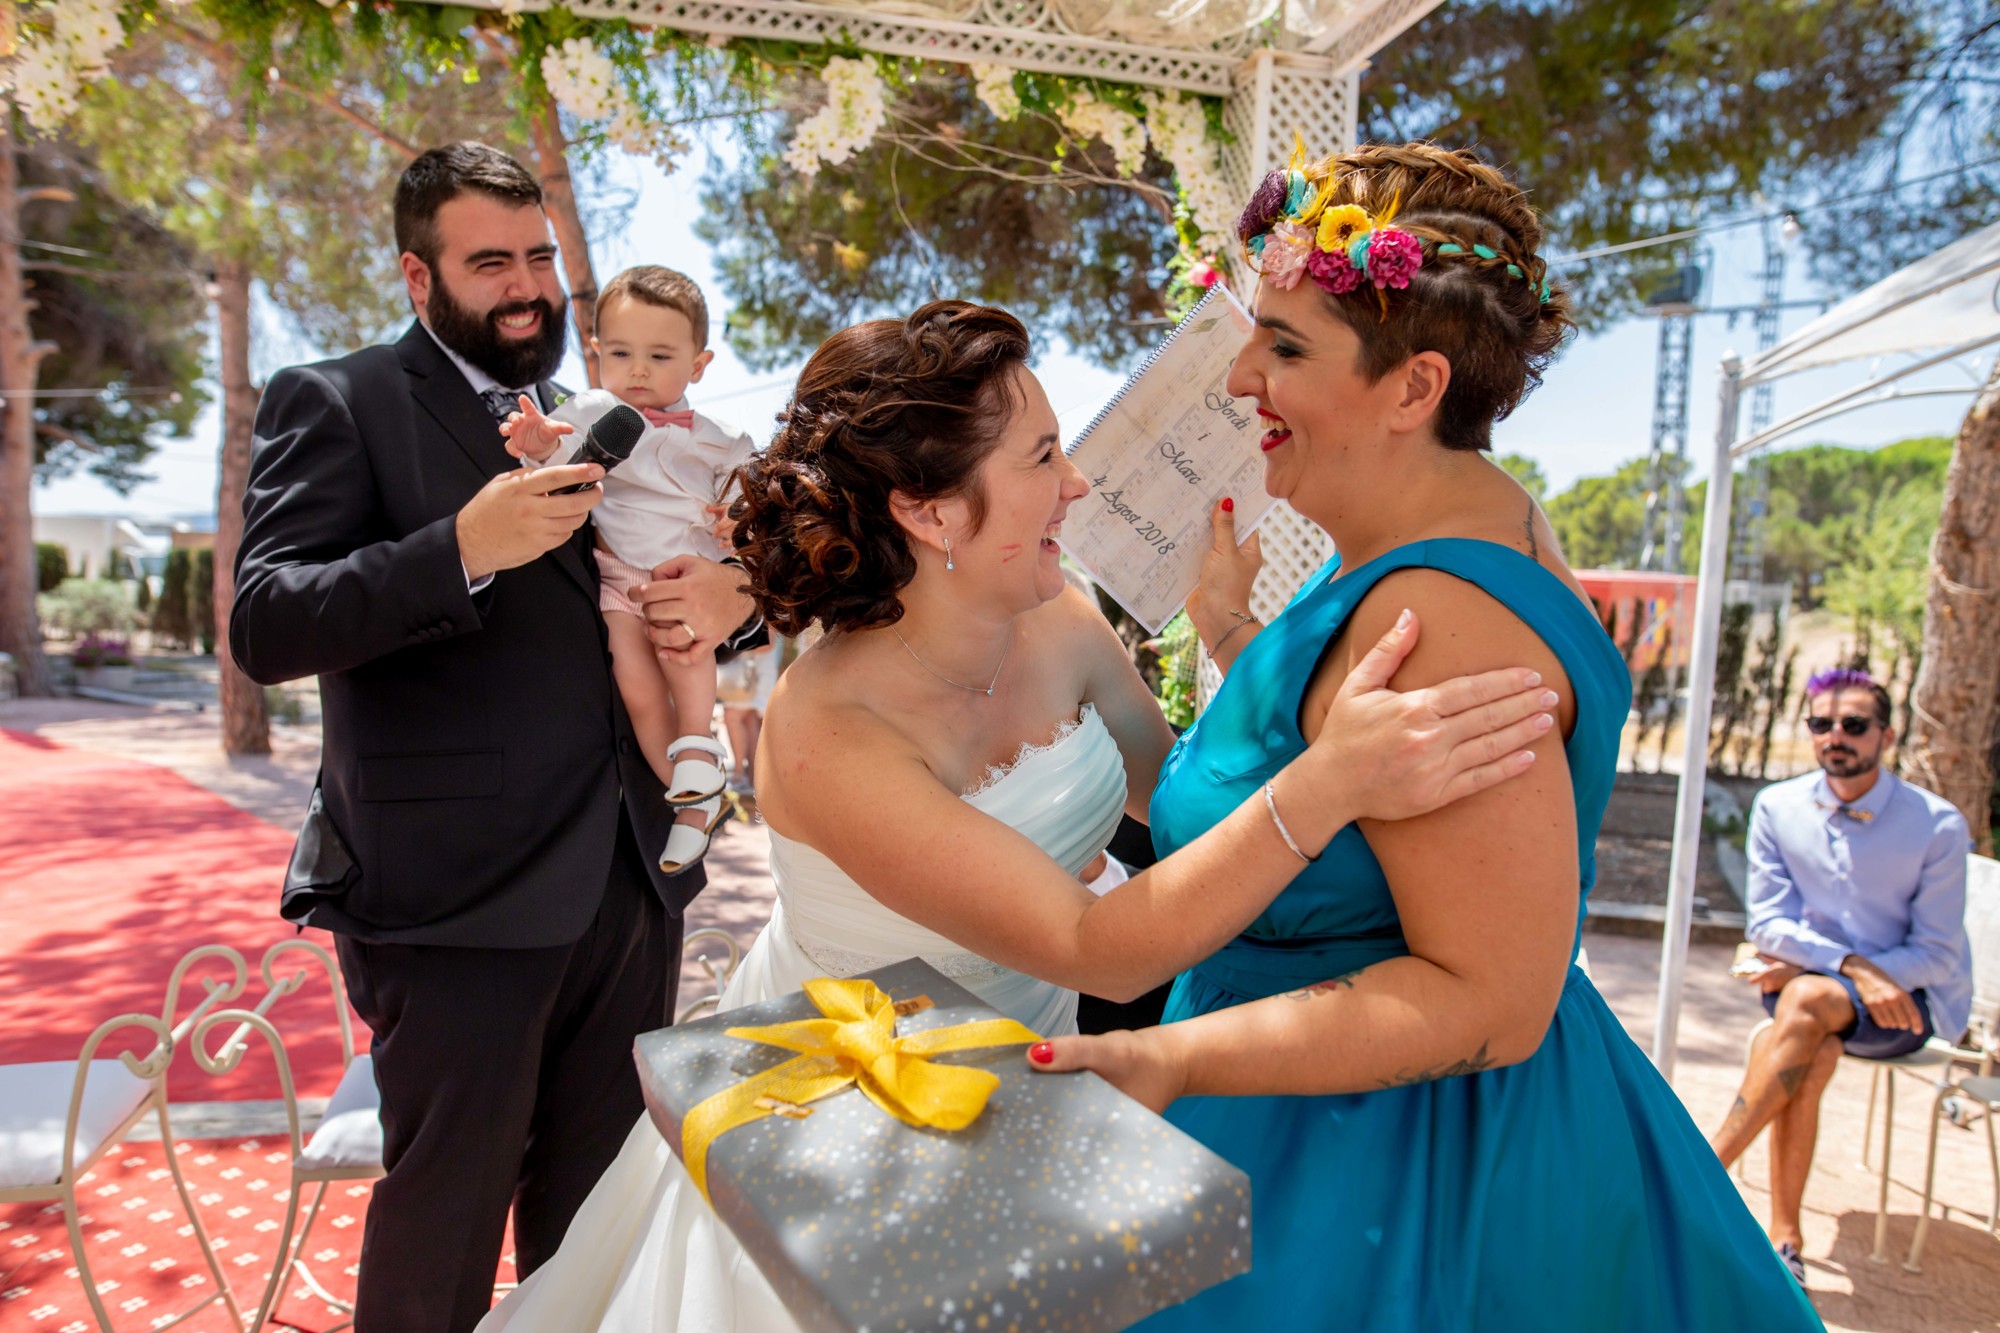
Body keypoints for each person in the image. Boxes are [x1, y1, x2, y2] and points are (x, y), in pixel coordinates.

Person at [476, 299, 1557, 1331]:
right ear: (931, 508)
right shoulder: (829, 728)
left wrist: (1229, 633)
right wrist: (1331, 783)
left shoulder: (1064, 623)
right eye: (1041, 458)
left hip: (1032, 1085)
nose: (1077, 483)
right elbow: (1100, 949)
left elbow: (1181, 813)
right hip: (851, 1124)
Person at [1029, 143, 1823, 1328]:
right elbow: (1343, 789)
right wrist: (1232, 631)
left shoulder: (1441, 616)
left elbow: (1487, 998)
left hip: (1378, 1170)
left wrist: (1175, 1058)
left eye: (1285, 346)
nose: (1241, 375)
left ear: (1413, 391)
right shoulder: (1465, 542)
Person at [230, 142, 760, 1333]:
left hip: (627, 886)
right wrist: (462, 545)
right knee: (445, 1226)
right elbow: (266, 620)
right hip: (450, 900)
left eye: (539, 257)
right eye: (489, 264)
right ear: (419, 281)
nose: (526, 286)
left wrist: (739, 601)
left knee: (595, 1223)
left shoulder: (611, 415)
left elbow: (674, 578)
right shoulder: (340, 397)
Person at [1710, 667, 1971, 1283]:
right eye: (1821, 724)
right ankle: (1785, 1241)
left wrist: (1869, 978)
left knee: (1804, 1000)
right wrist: (1854, 968)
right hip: (1822, 996)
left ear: (1886, 734)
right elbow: (1768, 923)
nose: (1836, 736)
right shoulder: (1778, 806)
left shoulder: (1936, 825)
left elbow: (1936, 952)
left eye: (1854, 725)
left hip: (1904, 1008)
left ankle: (1702, 1167)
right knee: (1812, 1036)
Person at [506, 266, 755, 870]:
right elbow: (560, 459)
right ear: (595, 354)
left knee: (684, 657)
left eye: (660, 355)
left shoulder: (721, 437)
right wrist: (537, 442)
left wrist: (738, 522)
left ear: (698, 364)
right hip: (618, 573)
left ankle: (698, 750)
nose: (638, 370)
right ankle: (692, 796)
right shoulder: (593, 409)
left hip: (686, 572)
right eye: (621, 352)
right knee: (636, 684)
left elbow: (750, 498)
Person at [719, 639, 781, 795]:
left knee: (733, 716)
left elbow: (769, 642)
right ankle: (753, 777)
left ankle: (742, 774)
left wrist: (732, 650)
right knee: (749, 721)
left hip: (751, 675)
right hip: (752, 675)